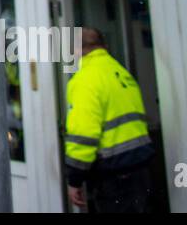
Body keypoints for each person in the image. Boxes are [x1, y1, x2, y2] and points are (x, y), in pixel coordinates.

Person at [64, 28, 154, 213]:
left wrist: (74, 179)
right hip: (140, 168)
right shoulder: (120, 72)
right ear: (103, 46)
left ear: (78, 50)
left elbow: (83, 135)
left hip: (115, 175)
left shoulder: (84, 80)